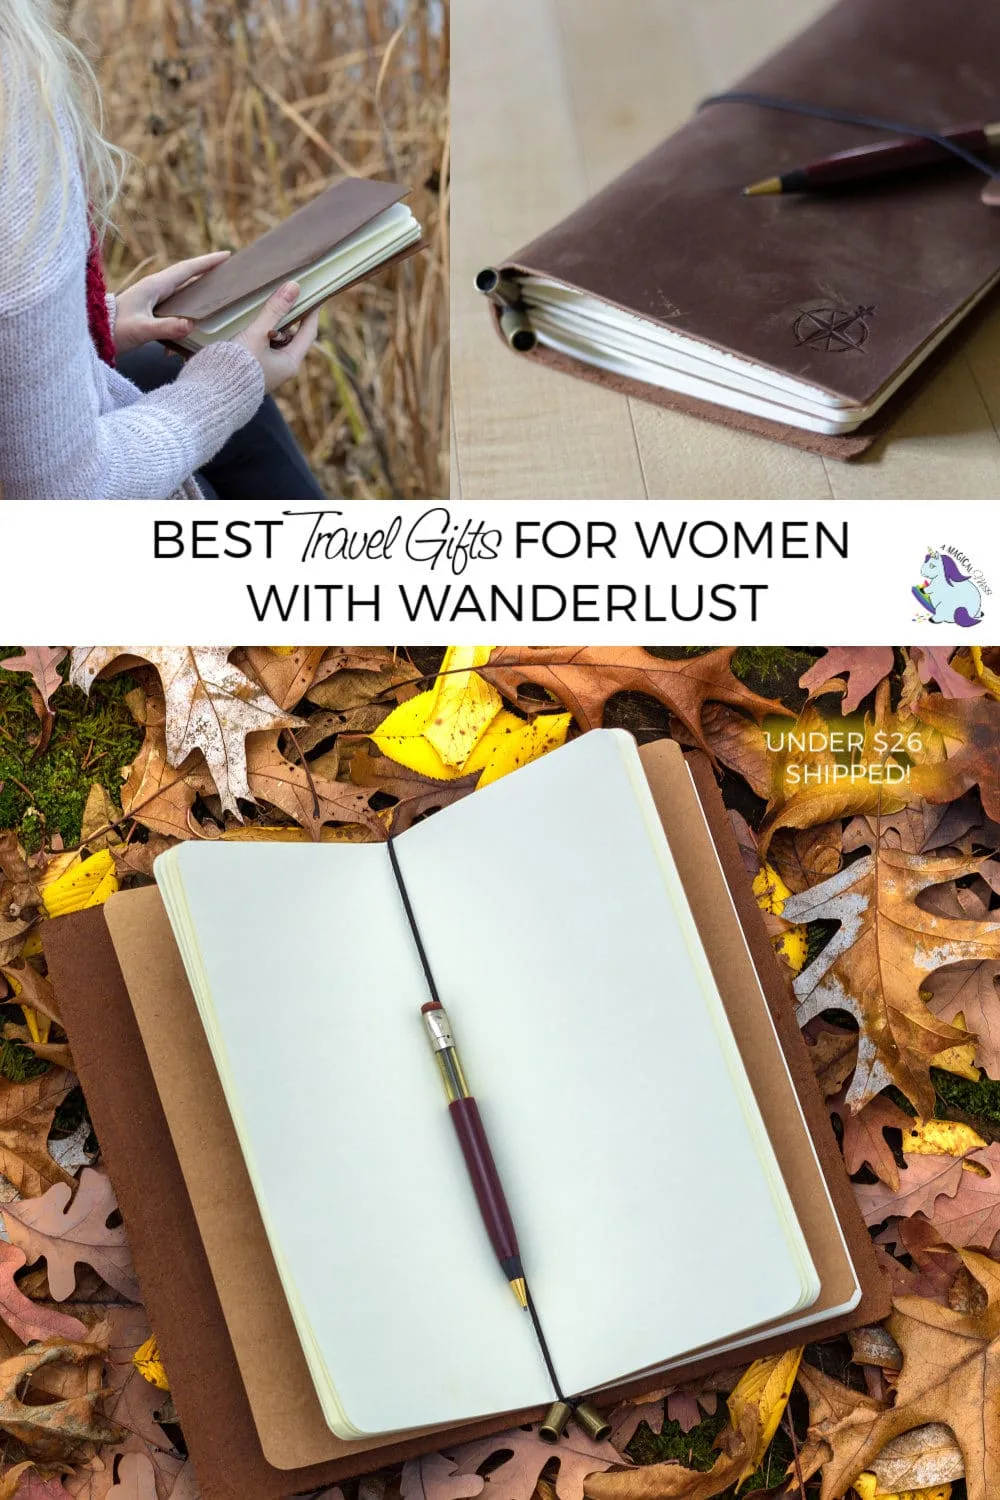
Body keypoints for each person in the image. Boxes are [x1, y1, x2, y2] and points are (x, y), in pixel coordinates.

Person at [0, 0, 325, 499]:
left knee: (169, 365)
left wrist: (88, 325)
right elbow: (66, 492)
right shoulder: (15, 96)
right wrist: (223, 391)